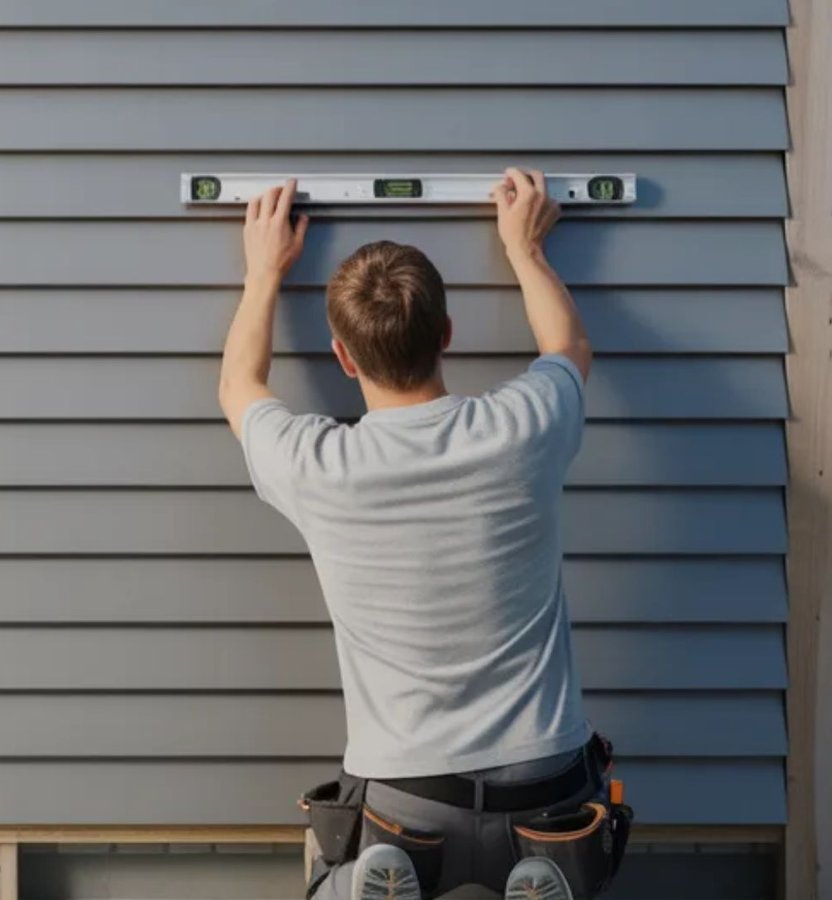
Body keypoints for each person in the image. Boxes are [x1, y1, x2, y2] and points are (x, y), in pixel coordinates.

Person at [219, 170, 628, 900]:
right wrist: (525, 251)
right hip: (546, 789)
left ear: (344, 359)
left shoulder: (322, 466)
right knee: (560, 851)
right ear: (446, 336)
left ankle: (359, 884)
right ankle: (540, 877)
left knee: (336, 880)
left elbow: (239, 388)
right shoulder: (521, 429)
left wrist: (262, 273)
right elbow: (570, 347)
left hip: (409, 800)